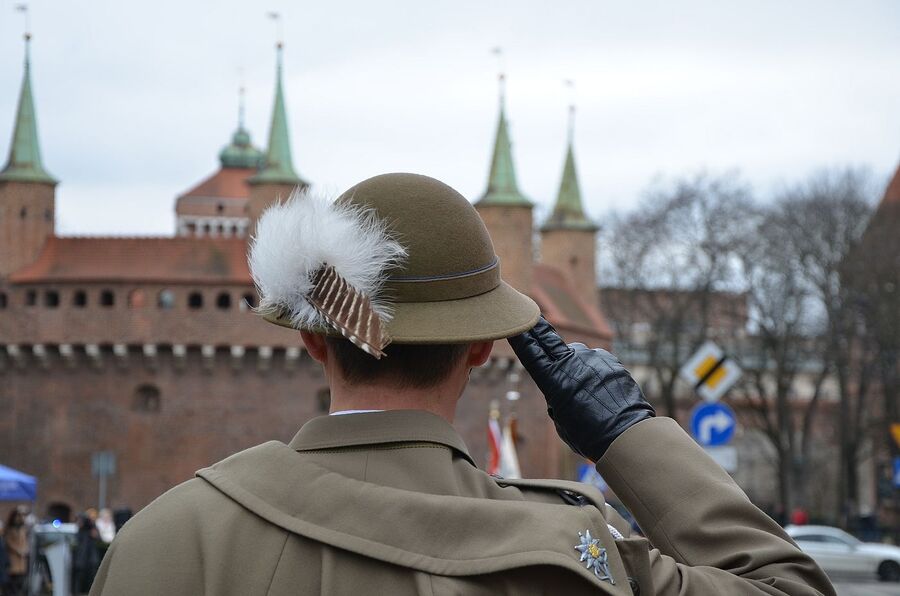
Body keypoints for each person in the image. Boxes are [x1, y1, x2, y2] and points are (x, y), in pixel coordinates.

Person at [91, 173, 834, 595]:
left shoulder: (163, 540)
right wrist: (624, 431)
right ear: (482, 347)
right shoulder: (574, 558)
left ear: (312, 340)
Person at [3, 509, 28, 596]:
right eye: (18, 516)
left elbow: (25, 542)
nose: (20, 518)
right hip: (13, 561)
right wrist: (18, 550)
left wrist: (25, 550)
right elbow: (8, 542)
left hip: (21, 562)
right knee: (12, 585)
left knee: (19, 583)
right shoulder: (9, 530)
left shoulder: (22, 529)